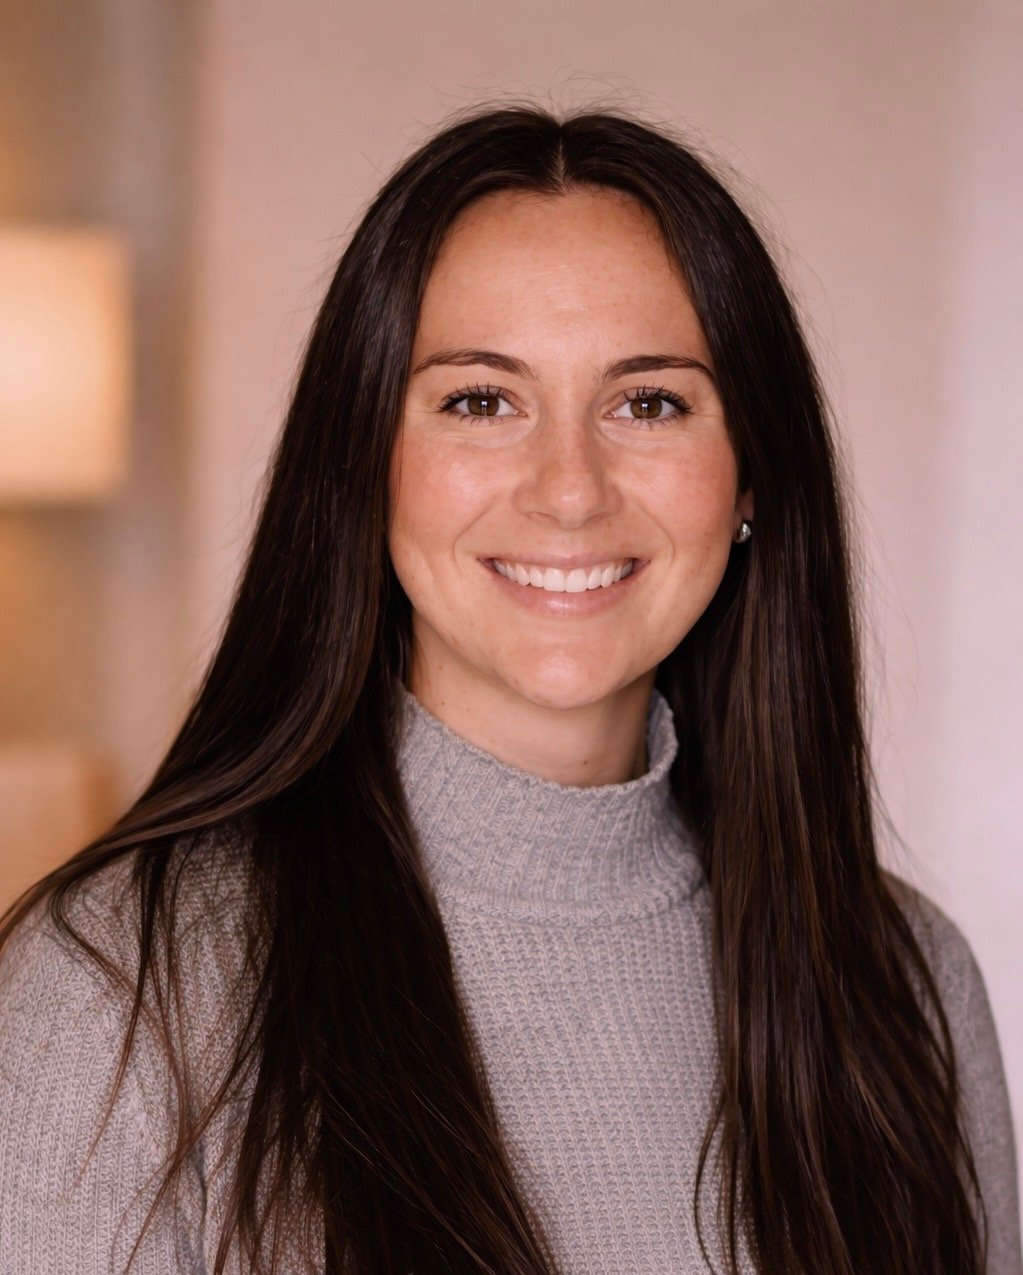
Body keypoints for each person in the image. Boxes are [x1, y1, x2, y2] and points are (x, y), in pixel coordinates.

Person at [0, 104, 1019, 1275]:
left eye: (650, 402)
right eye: (481, 401)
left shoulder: (906, 986)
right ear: (364, 463)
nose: (570, 489)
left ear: (751, 477)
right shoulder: (120, 992)